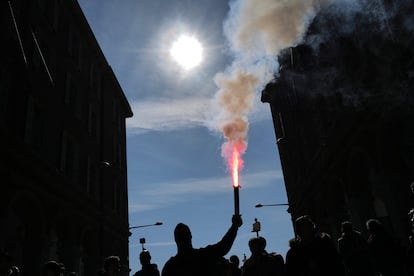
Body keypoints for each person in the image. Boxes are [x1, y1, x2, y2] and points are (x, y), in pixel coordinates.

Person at [161, 214, 243, 276]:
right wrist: (234, 227)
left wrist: (234, 227)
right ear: (190, 236)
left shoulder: (170, 267)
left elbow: (222, 247)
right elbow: (222, 247)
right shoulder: (202, 256)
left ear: (175, 239)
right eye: (184, 235)